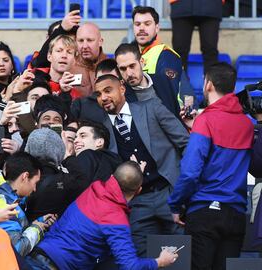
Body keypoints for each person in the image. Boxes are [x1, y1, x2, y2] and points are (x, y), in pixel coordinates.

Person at [168, 63, 254, 270]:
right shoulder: (247, 123)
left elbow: (190, 172)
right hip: (236, 215)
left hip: (205, 213)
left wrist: (175, 204)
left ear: (208, 85)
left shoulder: (205, 121)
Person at [94, 74, 189, 256]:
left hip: (170, 192)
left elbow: (185, 144)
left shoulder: (151, 107)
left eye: (108, 90)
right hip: (137, 203)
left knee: (182, 257)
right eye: (98, 94)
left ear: (122, 88)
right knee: (140, 259)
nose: (103, 97)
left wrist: (184, 188)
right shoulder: (102, 129)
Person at [26, 161, 178, 270]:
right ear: (138, 191)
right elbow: (130, 266)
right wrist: (159, 262)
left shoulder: (93, 189)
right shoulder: (116, 220)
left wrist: (132, 170)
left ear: (112, 177)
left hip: (36, 255)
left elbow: (122, 178)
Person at [0, 152, 57, 256]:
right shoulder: (5, 206)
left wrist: (39, 222)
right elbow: (16, 249)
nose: (35, 189)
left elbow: (14, 230)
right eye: (35, 183)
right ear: (25, 177)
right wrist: (36, 229)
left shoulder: (1, 194)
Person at [24, 128, 88, 221]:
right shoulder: (66, 181)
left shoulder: (20, 178)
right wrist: (68, 157)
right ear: (60, 152)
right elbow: (84, 184)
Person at [131, 6, 182, 117]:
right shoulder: (133, 55)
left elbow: (169, 101)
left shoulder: (166, 55)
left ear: (157, 27)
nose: (141, 28)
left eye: (147, 24)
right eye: (137, 24)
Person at [170, 0, 223, 72]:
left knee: (210, 50)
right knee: (179, 52)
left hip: (211, 6)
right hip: (181, 5)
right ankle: (179, 82)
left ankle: (211, 82)